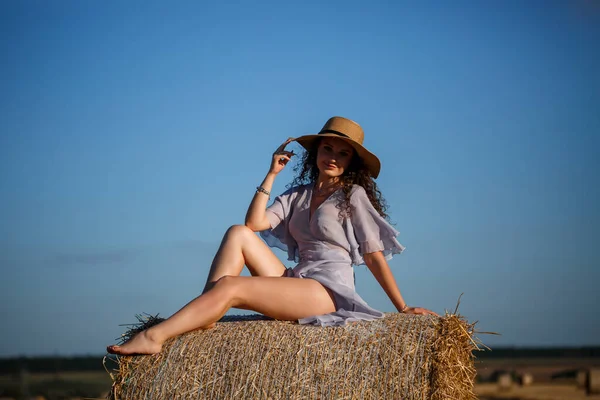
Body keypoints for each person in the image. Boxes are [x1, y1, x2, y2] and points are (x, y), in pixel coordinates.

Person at [107, 116, 438, 356]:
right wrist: (271, 173)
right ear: (316, 153)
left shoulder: (353, 197)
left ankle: (156, 336)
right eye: (327, 148)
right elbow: (253, 223)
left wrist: (404, 306)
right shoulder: (298, 195)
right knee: (237, 233)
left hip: (326, 290)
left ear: (351, 162)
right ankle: (207, 312)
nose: (333, 157)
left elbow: (372, 253)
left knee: (231, 285)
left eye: (342, 153)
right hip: (296, 278)